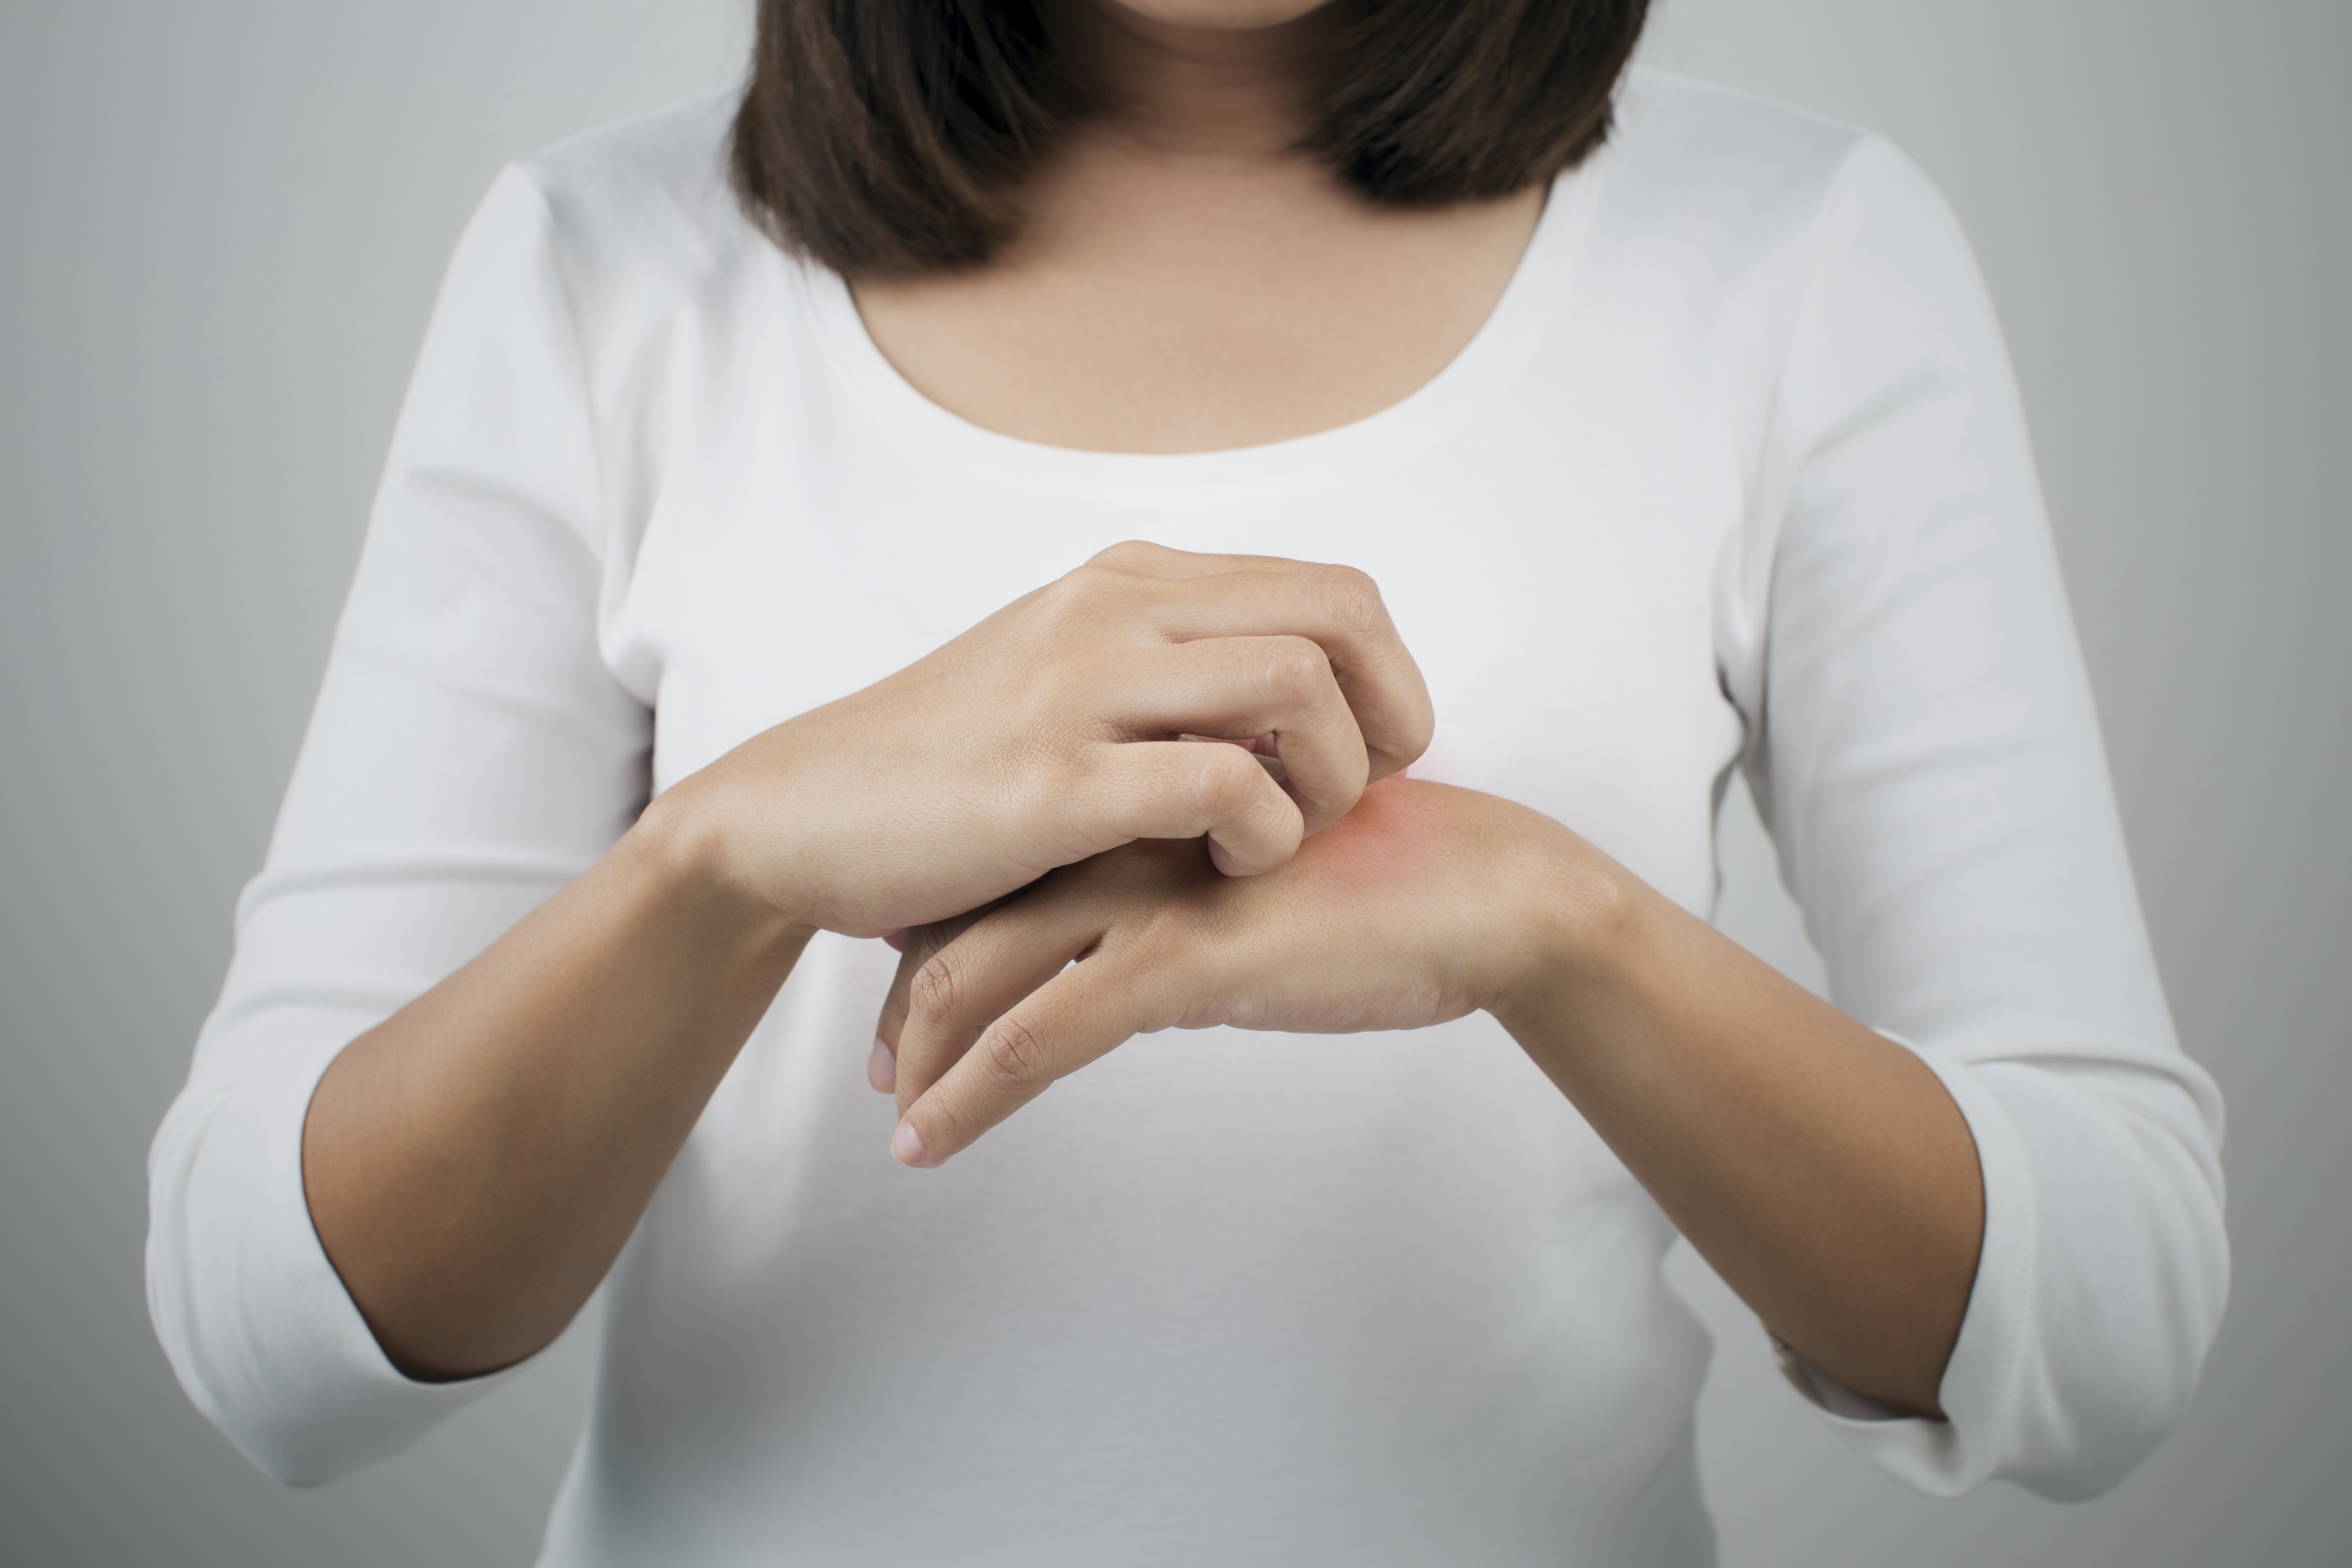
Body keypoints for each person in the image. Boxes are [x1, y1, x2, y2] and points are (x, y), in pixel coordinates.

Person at [146, 2, 2229, 1562]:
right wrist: (721, 858)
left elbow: (2099, 1320)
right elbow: (273, 1337)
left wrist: (1549, 924)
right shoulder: (601, 265)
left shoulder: (1793, 252)